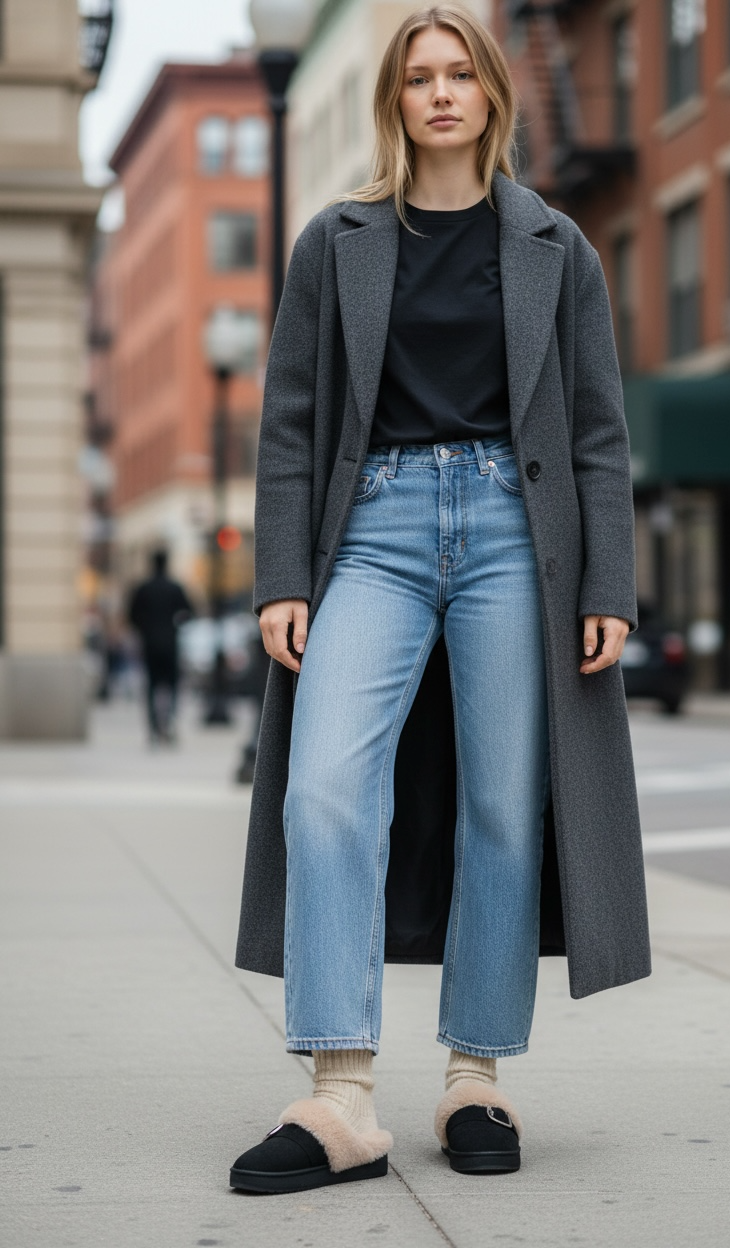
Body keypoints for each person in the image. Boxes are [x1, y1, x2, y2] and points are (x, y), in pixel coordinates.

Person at [230, 4, 651, 1195]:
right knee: (324, 793)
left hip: (517, 538)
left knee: (503, 809)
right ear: (396, 101)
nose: (441, 92)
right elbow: (291, 422)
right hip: (374, 535)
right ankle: (340, 1096)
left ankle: (476, 1078)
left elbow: (598, 434)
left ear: (491, 95)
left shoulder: (555, 245)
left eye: (459, 71)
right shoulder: (338, 240)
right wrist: (281, 575)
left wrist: (608, 579)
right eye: (419, 76)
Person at [127, 549, 193, 744]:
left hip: (149, 644)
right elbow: (189, 610)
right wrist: (175, 625)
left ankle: (153, 727)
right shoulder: (174, 587)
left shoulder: (142, 588)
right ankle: (170, 722)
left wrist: (144, 629)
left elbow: (131, 616)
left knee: (150, 686)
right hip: (170, 643)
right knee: (172, 685)